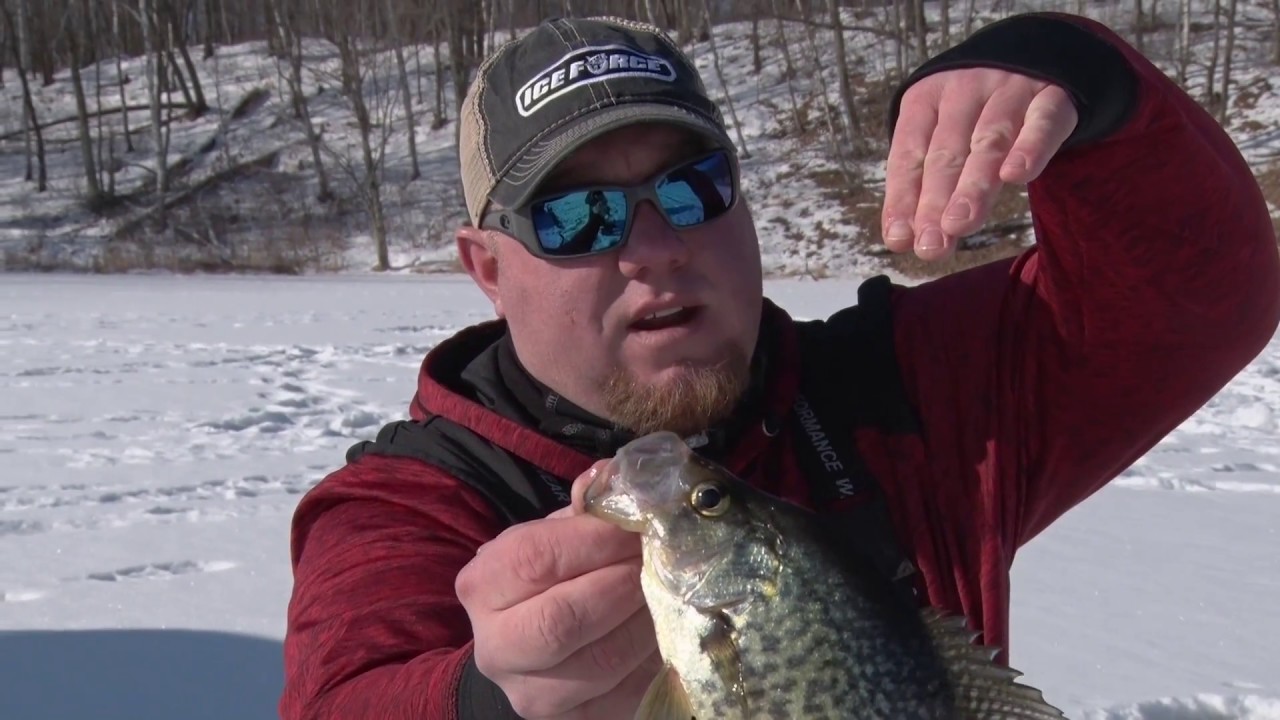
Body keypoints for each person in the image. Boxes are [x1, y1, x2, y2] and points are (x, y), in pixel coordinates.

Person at [278, 11, 1280, 720]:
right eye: (574, 216)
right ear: (487, 270)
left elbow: (1197, 298)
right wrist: (485, 701)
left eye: (689, 190)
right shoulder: (404, 509)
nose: (654, 249)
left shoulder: (901, 396)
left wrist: (1077, 72)